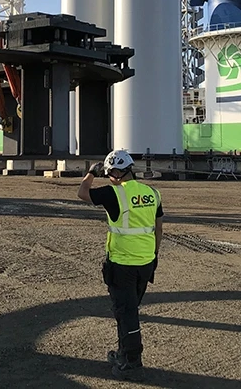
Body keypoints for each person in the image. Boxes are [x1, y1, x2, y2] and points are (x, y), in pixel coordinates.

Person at [78, 149, 163, 381]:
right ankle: (124, 353)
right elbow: (158, 228)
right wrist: (154, 254)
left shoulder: (113, 193)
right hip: (146, 262)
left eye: (108, 174)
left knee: (127, 314)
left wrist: (91, 173)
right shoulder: (152, 193)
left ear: (115, 173)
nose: (109, 178)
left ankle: (132, 363)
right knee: (129, 310)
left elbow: (82, 193)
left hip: (123, 264)